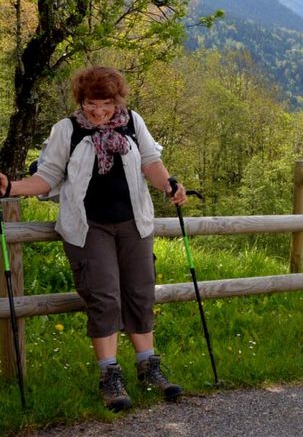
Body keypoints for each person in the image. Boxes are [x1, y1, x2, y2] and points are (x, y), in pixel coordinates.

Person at [0, 66, 187, 411]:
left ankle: (149, 367)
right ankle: (109, 377)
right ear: (80, 101)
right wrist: (11, 187)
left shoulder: (133, 122)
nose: (98, 111)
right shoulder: (66, 130)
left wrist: (169, 185)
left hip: (135, 223)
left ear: (117, 100)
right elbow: (47, 177)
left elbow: (151, 162)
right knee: (104, 297)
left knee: (140, 292)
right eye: (90, 104)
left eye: (105, 104)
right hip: (88, 228)